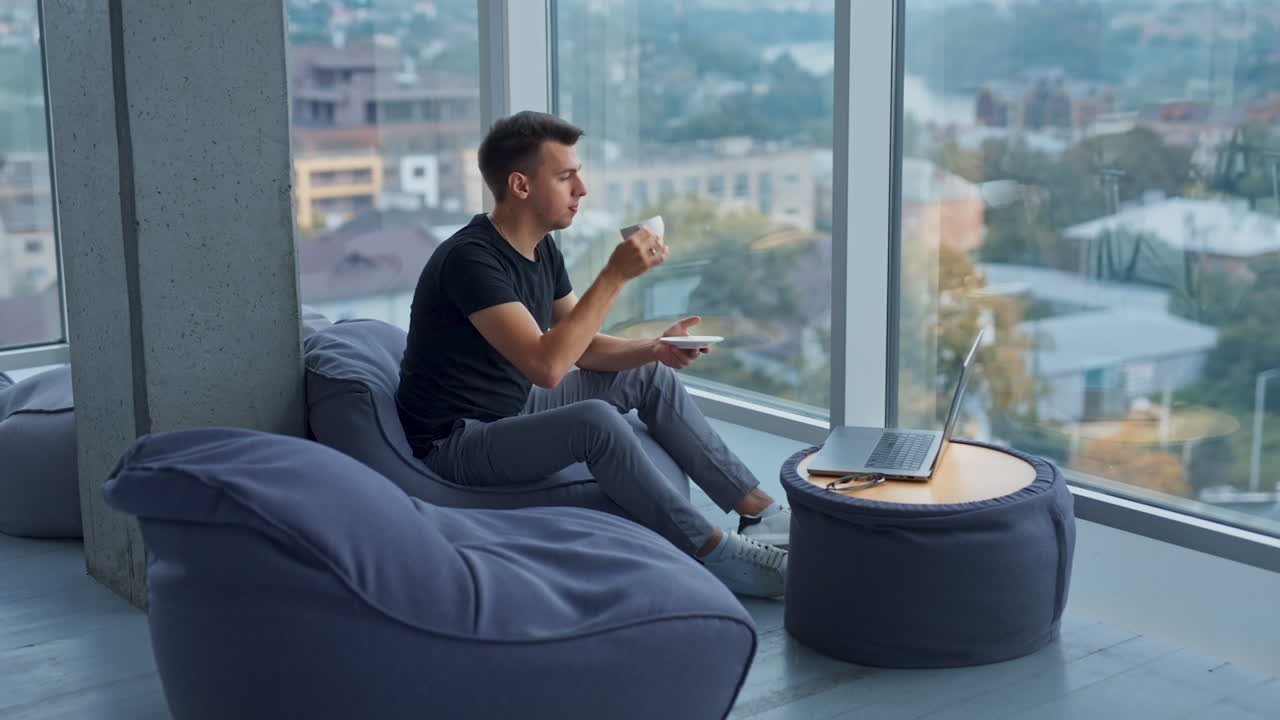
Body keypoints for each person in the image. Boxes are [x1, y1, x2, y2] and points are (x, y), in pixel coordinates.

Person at [396, 111, 791, 598]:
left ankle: (759, 511)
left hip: (510, 406)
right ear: (520, 185)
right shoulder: (470, 260)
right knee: (594, 422)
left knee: (651, 373)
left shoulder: (542, 250)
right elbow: (547, 367)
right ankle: (717, 553)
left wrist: (655, 349)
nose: (581, 189)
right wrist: (615, 275)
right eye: (566, 176)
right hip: (456, 439)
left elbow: (580, 346)